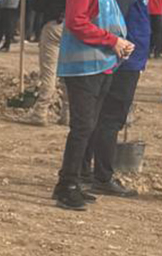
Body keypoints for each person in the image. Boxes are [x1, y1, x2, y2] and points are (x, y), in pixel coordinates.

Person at [52, 0, 134, 209]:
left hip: (101, 65)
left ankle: (70, 183)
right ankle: (68, 185)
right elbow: (76, 21)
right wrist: (112, 41)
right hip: (83, 68)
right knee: (82, 127)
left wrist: (121, 43)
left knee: (89, 126)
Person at [84, 0, 149, 195]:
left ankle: (86, 171)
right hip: (123, 61)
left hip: (128, 59)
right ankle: (101, 177)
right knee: (110, 119)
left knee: (104, 118)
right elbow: (114, 22)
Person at [30, 0, 71, 123]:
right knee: (68, 74)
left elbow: (38, 5)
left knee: (49, 72)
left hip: (54, 25)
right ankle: (67, 113)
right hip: (75, 27)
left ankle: (40, 111)